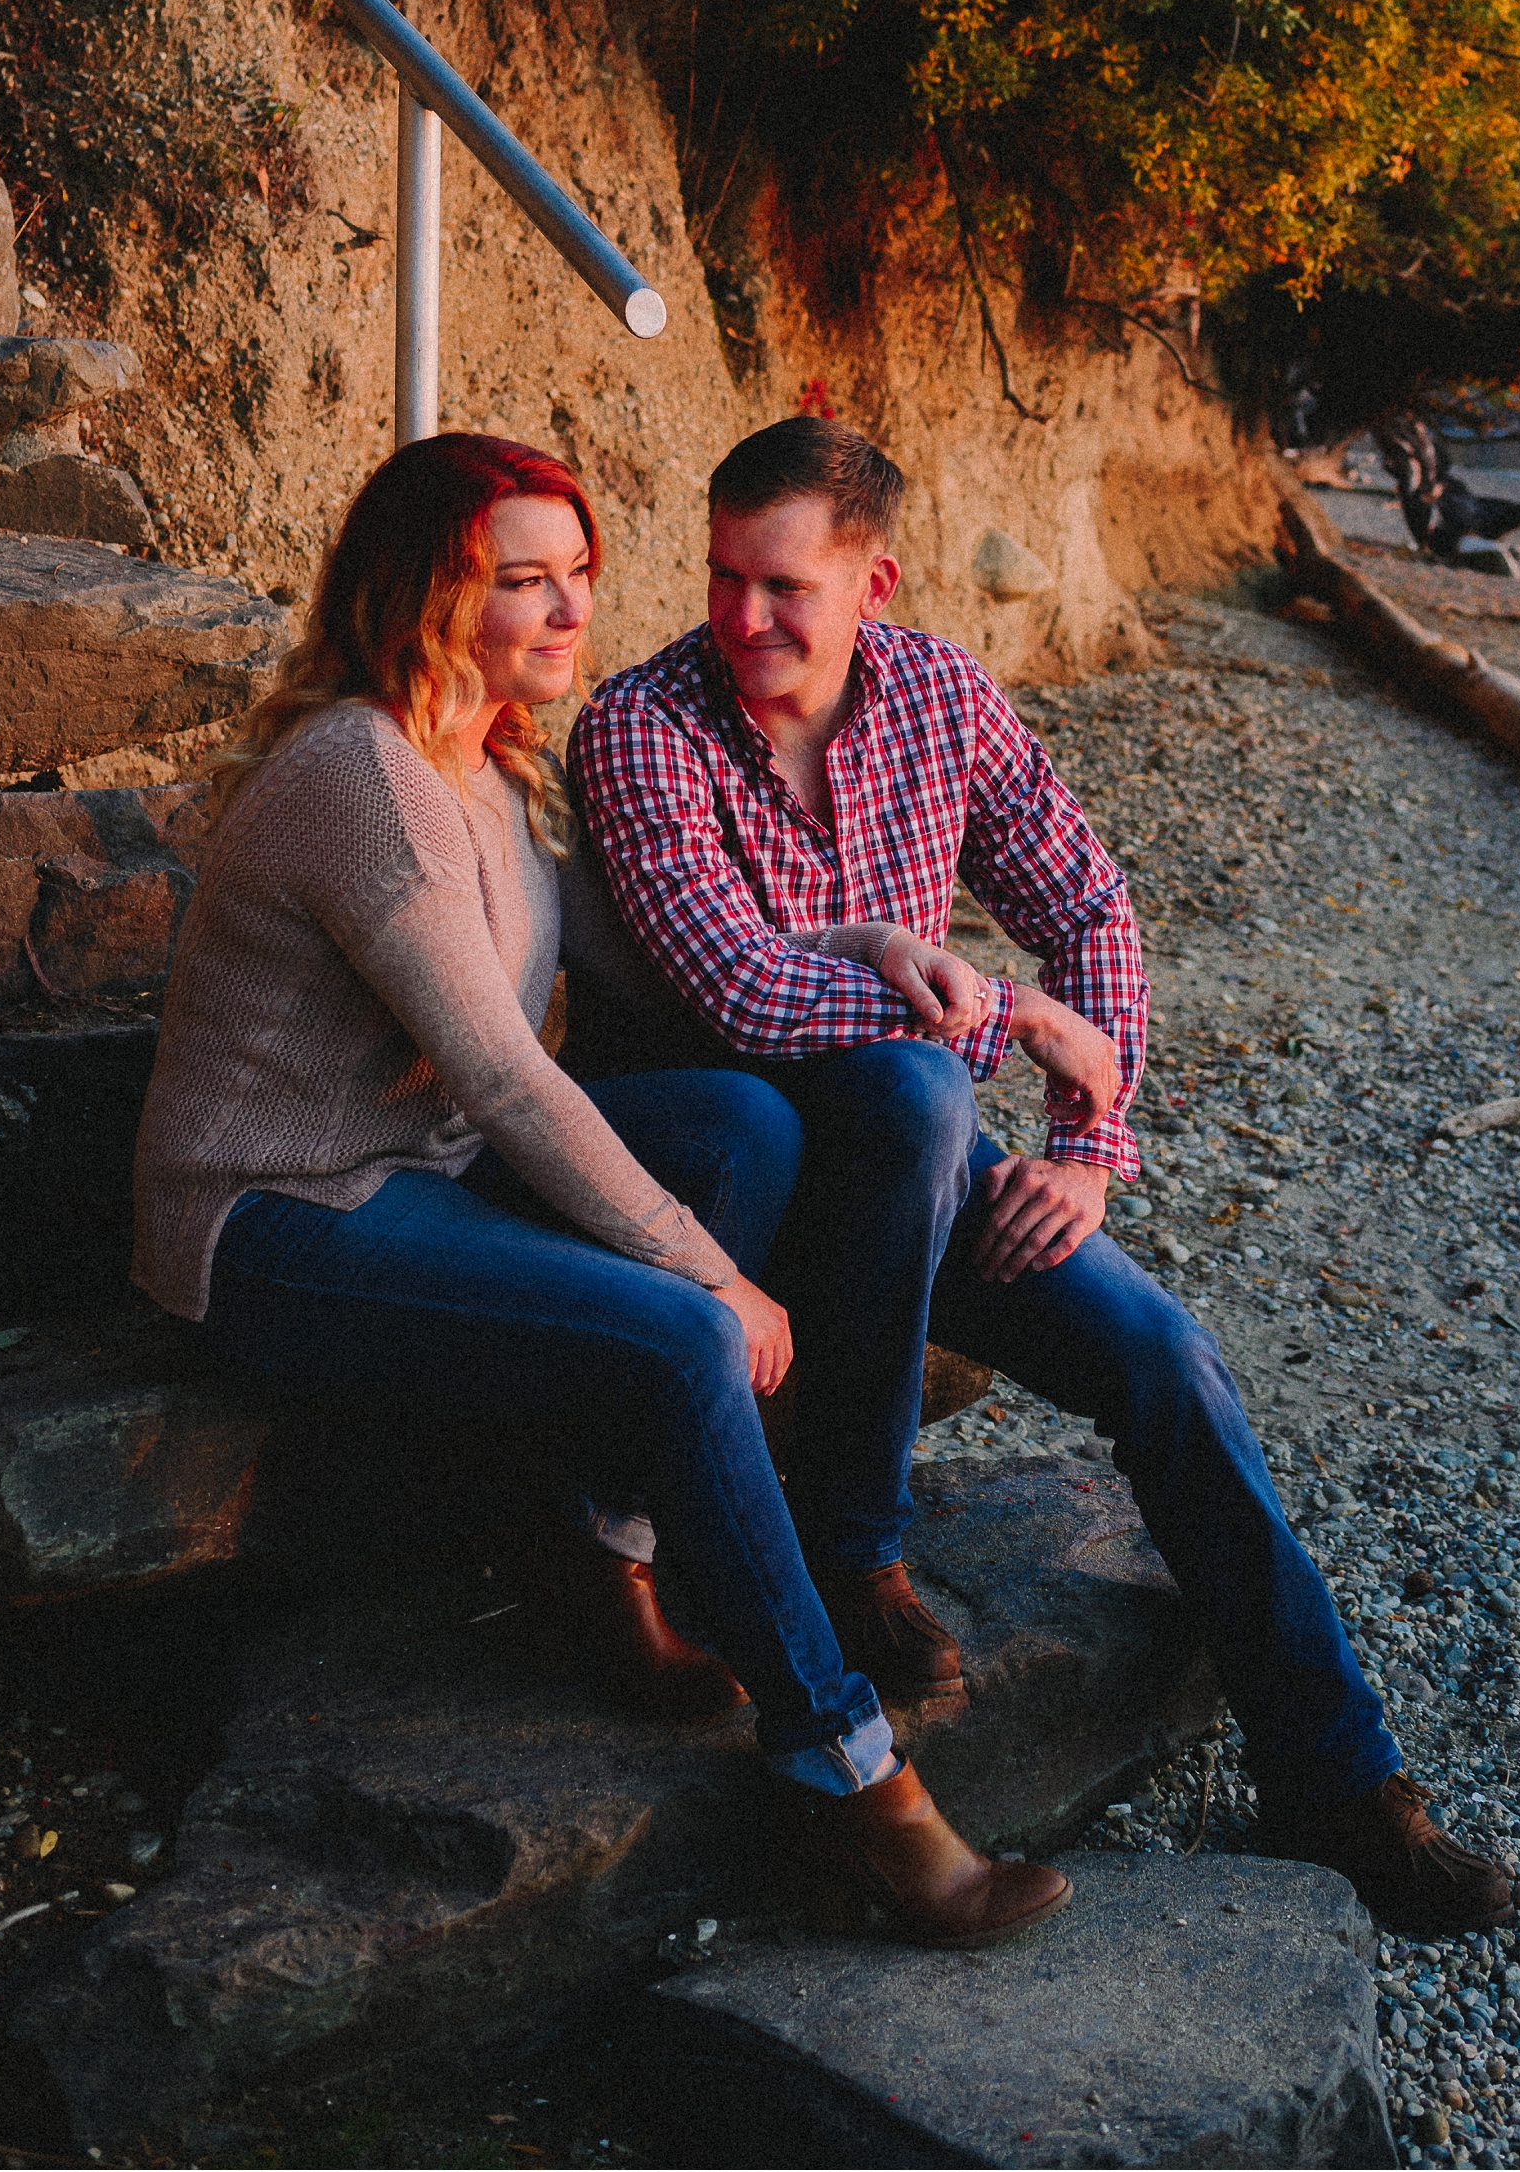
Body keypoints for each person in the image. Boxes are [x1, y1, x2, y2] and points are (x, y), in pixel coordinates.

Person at [571, 416, 1520, 1938]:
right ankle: (855, 1553)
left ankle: (1344, 1789)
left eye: (782, 588)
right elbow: (740, 995)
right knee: (905, 1077)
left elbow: (1090, 904)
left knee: (1168, 1359)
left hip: (926, 1175)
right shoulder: (643, 728)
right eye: (718, 579)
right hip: (733, 1186)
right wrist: (1012, 1018)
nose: (740, 618)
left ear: (874, 583)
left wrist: (1090, 1151)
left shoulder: (943, 698)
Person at [130, 431, 1068, 1954]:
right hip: (275, 1219)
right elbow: (507, 1082)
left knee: (742, 1126)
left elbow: (644, 967)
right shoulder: (365, 778)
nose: (574, 614)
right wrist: (710, 1276)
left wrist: (867, 953)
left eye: (579, 577)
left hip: (413, 1171)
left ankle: (601, 1537)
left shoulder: (488, 755)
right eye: (523, 583)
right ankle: (855, 1787)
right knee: (683, 1336)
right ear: (426, 598)